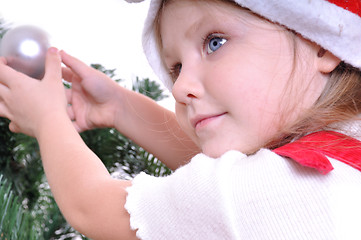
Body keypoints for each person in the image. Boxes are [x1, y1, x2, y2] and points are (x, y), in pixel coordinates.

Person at [0, 0, 361, 239]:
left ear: (320, 41)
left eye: (215, 42)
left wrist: (47, 118)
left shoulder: (281, 187)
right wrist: (121, 108)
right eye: (175, 68)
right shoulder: (341, 155)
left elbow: (92, 207)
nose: (180, 87)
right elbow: (225, 175)